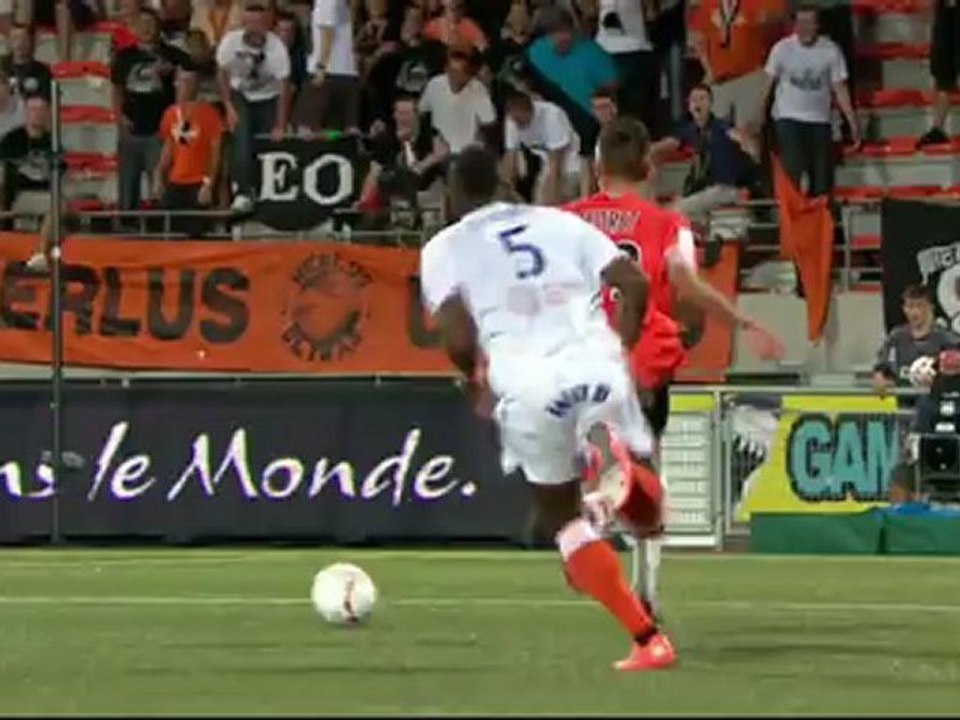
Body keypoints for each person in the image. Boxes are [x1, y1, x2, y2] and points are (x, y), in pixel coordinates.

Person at [420, 145, 676, 672]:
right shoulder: (561, 223)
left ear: (454, 194)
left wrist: (474, 378)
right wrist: (622, 349)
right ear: (503, 180)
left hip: (528, 378)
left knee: (558, 517)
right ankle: (613, 490)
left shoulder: (445, 247)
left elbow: (455, 330)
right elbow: (633, 282)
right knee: (646, 502)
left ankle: (647, 638)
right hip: (596, 360)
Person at [565, 117, 785, 613]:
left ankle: (597, 508)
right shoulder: (668, 223)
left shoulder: (567, 220)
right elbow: (685, 281)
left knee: (590, 458)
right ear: (647, 166)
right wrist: (741, 322)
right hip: (641, 360)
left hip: (580, 360)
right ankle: (647, 588)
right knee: (646, 470)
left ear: (597, 166)